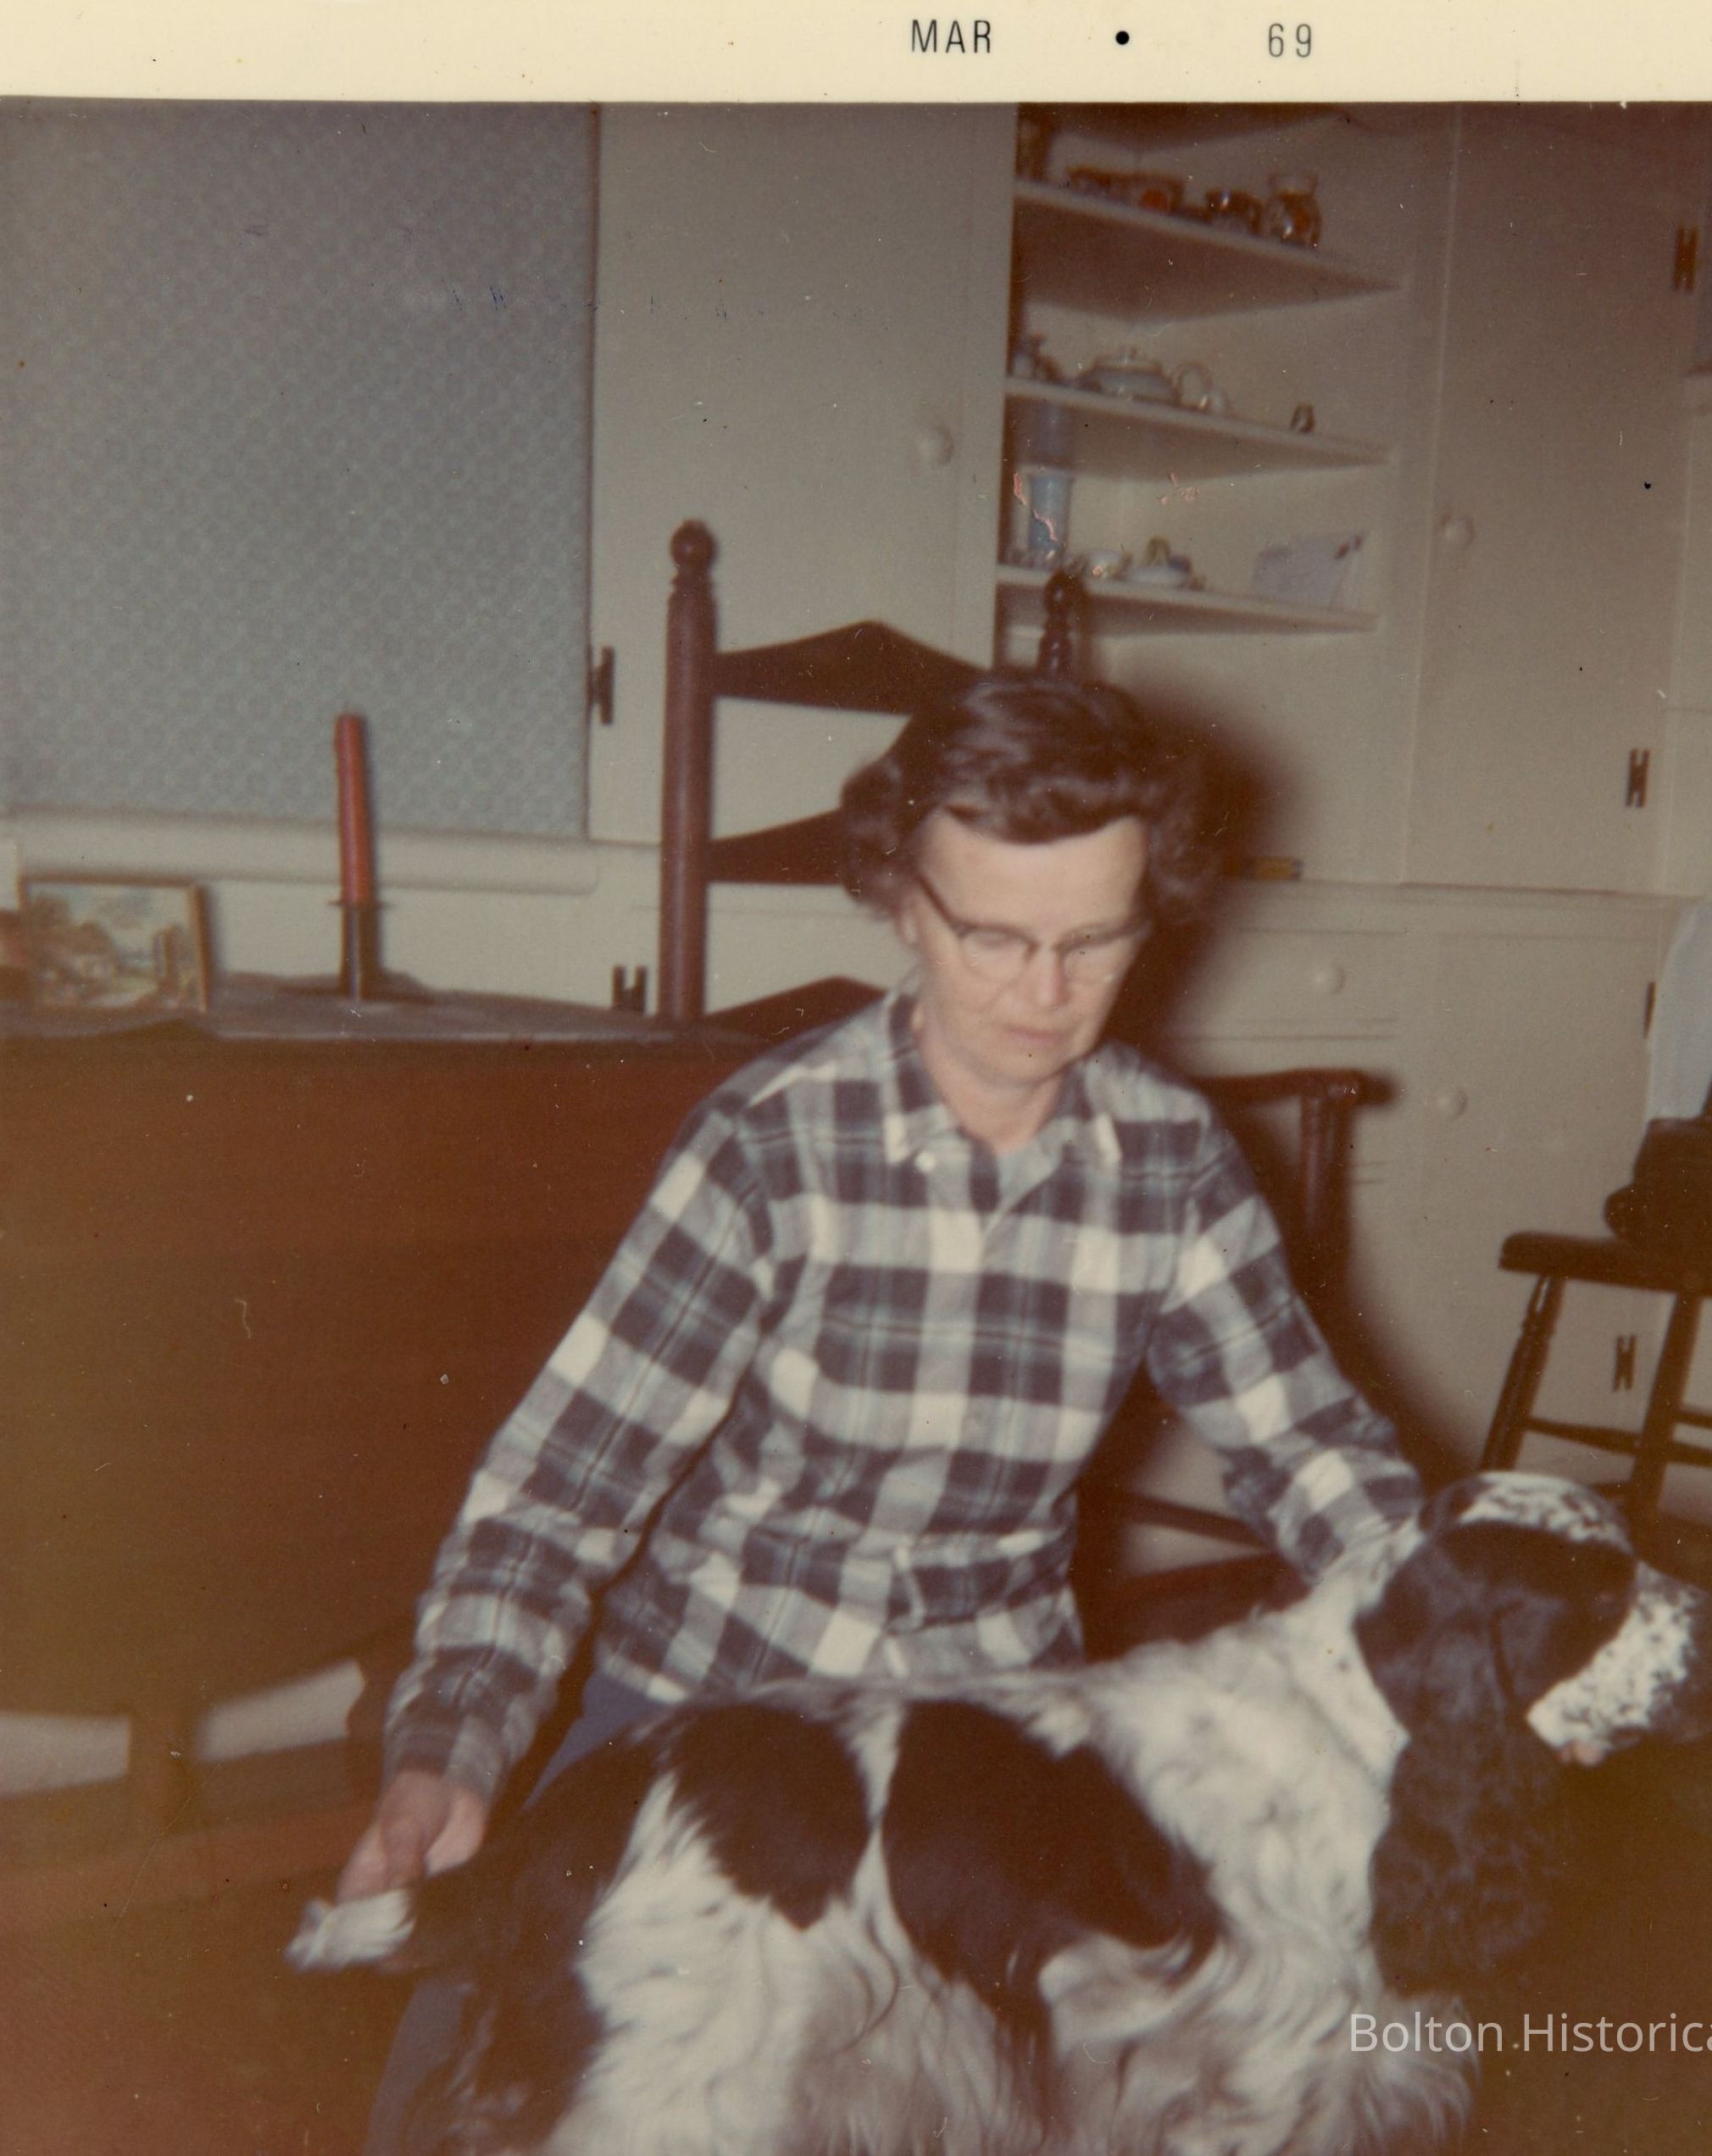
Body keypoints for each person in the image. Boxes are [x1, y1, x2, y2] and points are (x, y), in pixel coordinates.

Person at [343, 675, 1421, 2143]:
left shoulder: (1173, 1162)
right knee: (452, 2105)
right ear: (902, 902)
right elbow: (557, 1496)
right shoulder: (769, 1147)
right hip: (711, 1709)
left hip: (988, 1750)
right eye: (994, 937)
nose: (1045, 993)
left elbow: (1308, 1452)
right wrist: (449, 1751)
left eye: (1095, 941)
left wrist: (1450, 1616)